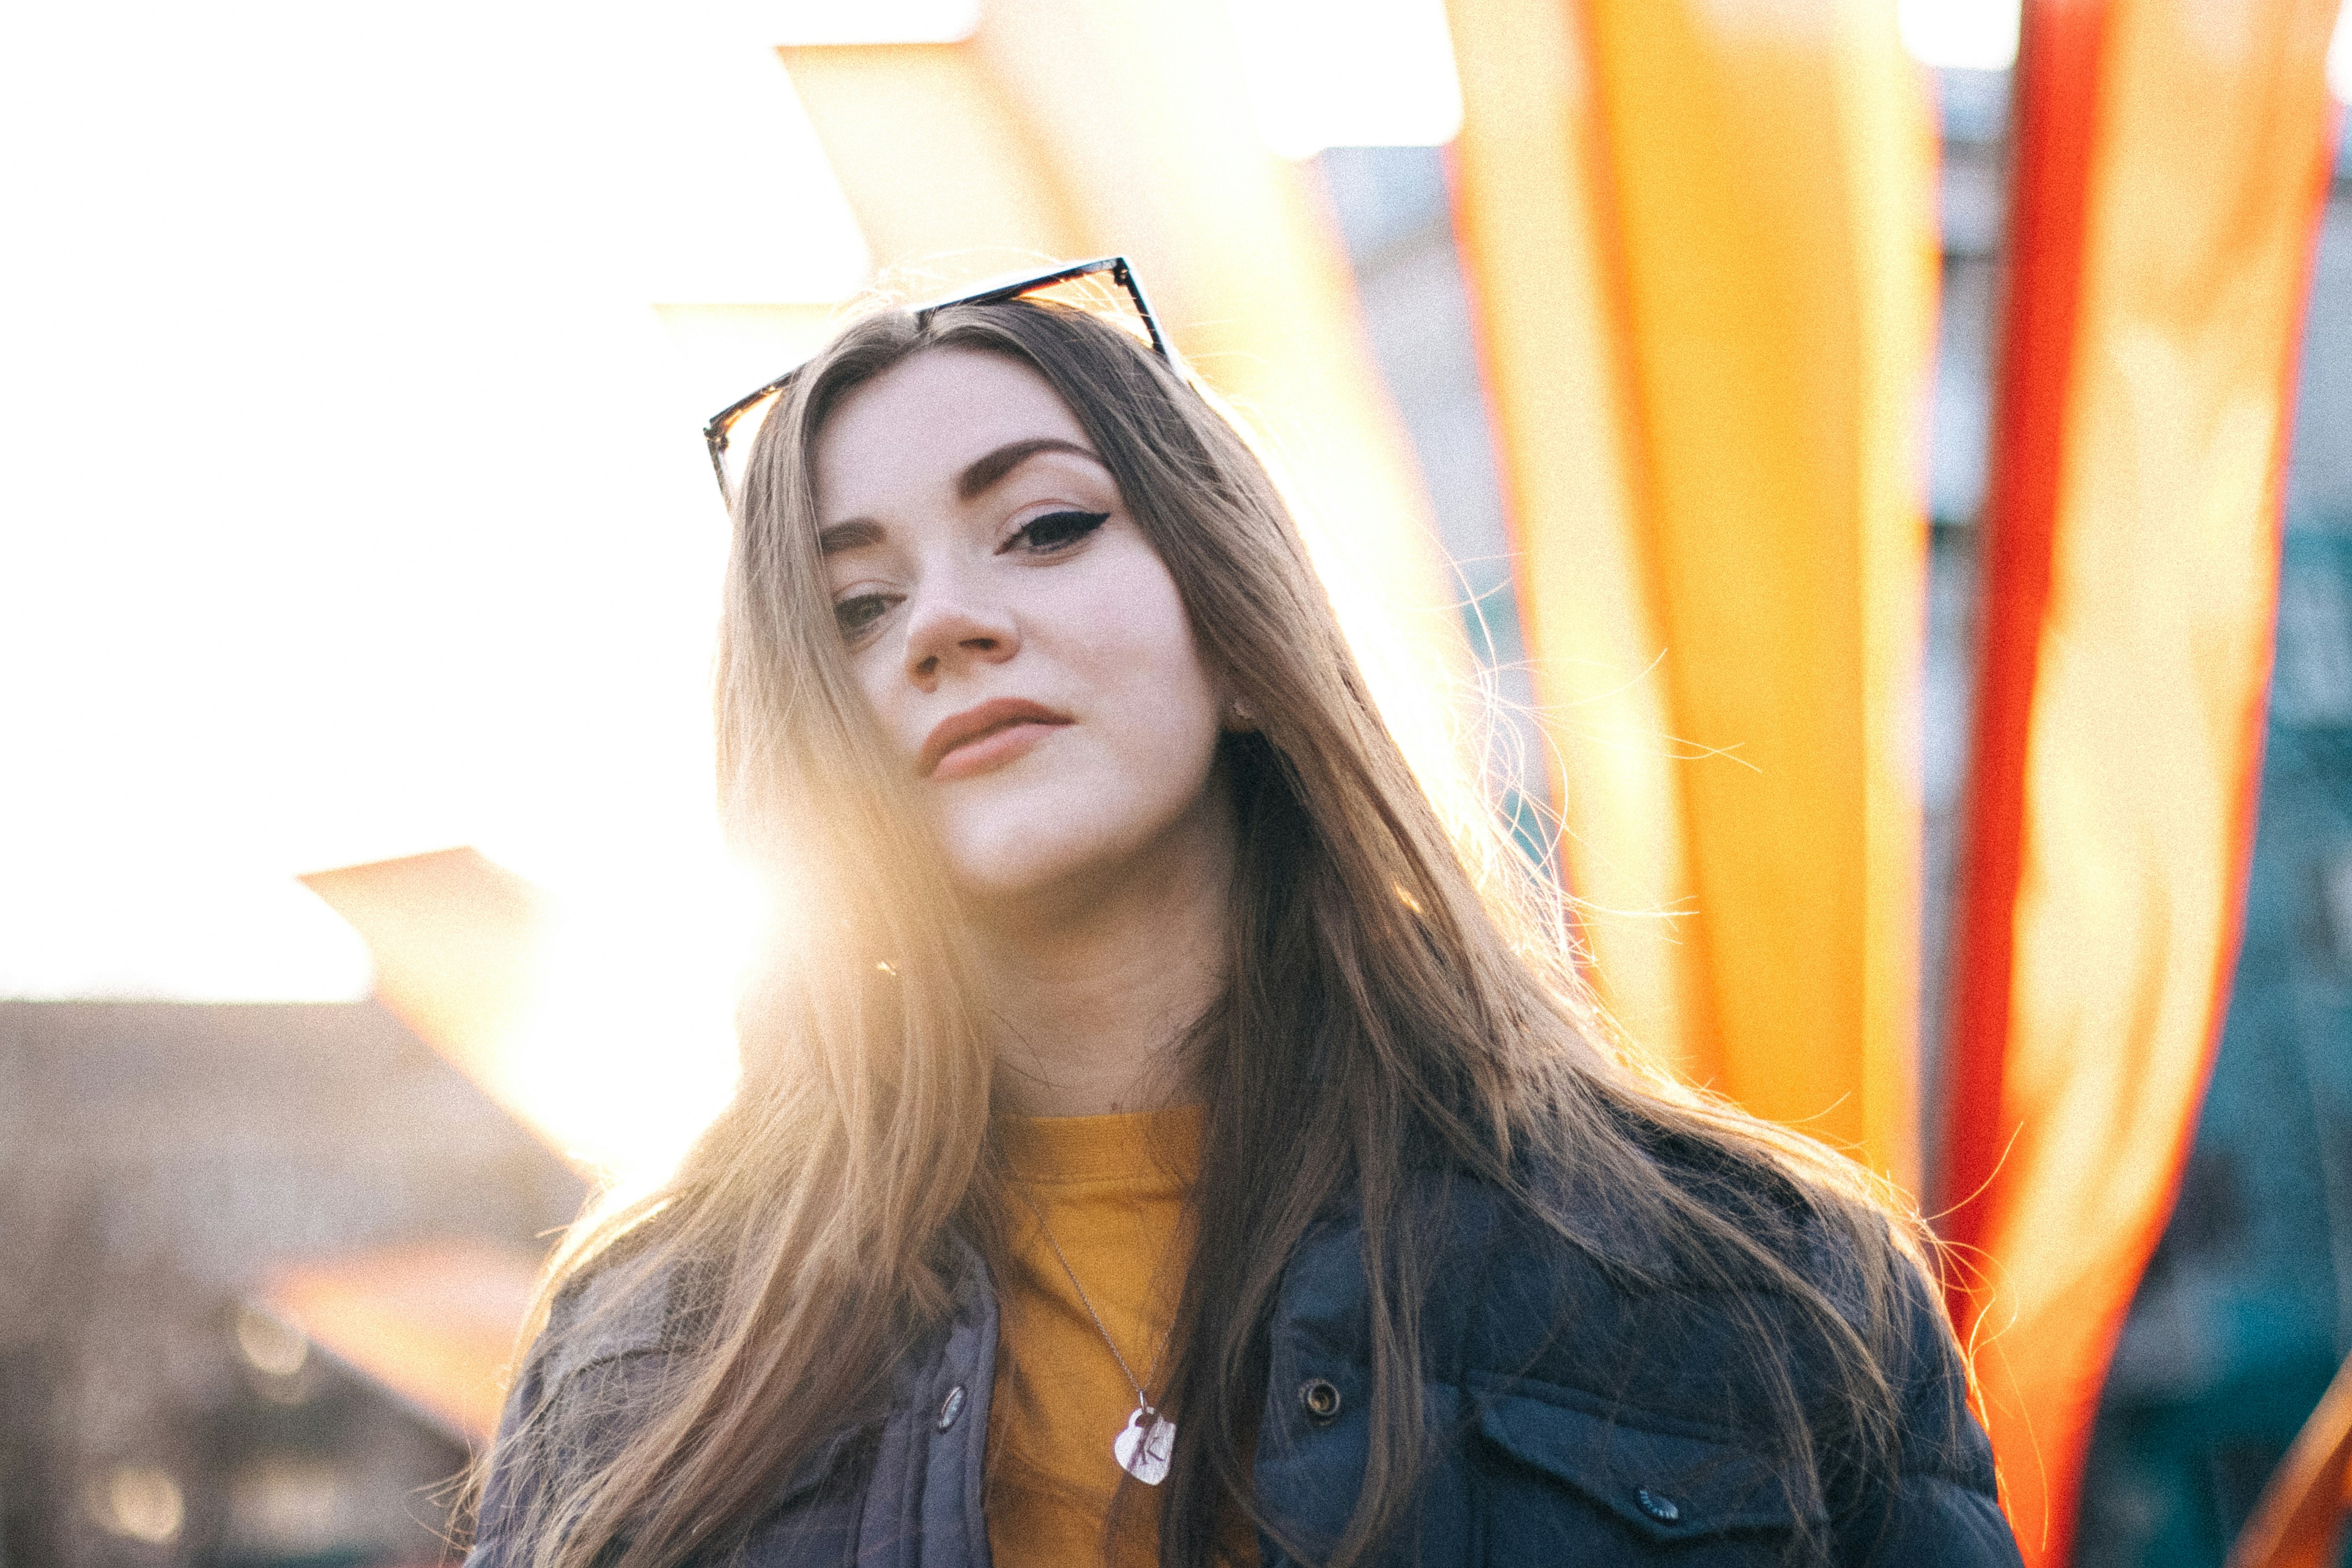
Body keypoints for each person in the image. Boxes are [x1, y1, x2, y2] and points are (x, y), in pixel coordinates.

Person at [462, 258, 2022, 1568]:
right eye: (858, 609)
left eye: (1047, 526)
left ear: (1237, 625)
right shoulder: (642, 1363)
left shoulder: (1739, 1280)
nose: (945, 620)